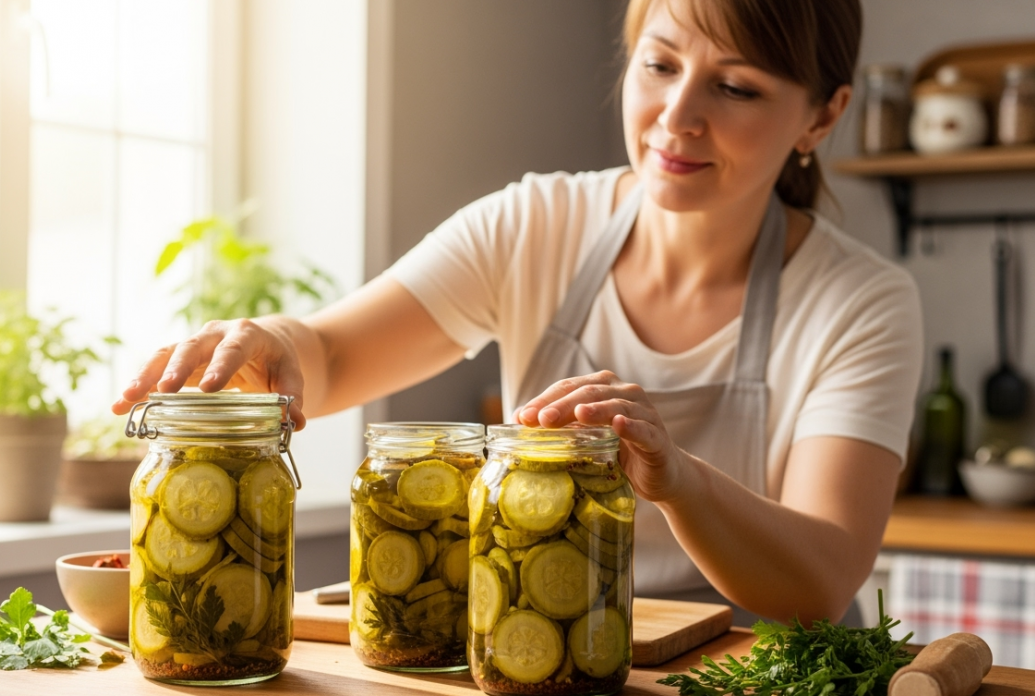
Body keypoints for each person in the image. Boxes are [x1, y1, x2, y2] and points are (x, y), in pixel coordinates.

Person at [114, 0, 921, 626]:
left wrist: (680, 483)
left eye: (735, 86)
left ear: (822, 115)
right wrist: (275, 342)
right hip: (539, 654)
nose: (677, 116)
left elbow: (821, 576)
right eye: (659, 65)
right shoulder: (533, 224)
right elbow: (334, 352)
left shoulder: (861, 302)